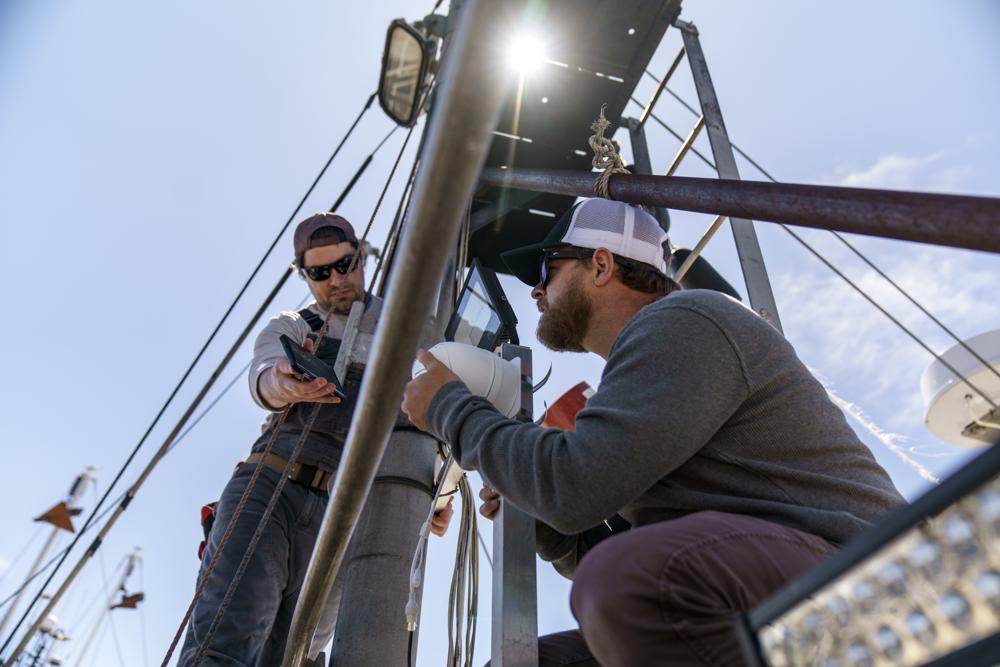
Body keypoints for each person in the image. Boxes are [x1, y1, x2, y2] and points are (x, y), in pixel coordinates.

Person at [402, 198, 905, 666]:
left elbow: (578, 491)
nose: (535, 290)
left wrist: (451, 407)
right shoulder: (643, 372)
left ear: (600, 265)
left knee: (628, 580)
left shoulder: (686, 320)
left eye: (546, 270)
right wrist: (543, 521)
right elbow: (620, 541)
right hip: (769, 583)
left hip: (872, 579)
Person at [179, 212, 454, 666]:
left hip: (345, 513)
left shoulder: (413, 328)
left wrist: (438, 496)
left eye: (344, 265)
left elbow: (439, 412)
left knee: (293, 655)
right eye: (320, 273)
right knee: (226, 640)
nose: (335, 281)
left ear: (361, 257)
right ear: (304, 275)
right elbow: (265, 375)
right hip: (270, 491)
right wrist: (283, 381)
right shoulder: (292, 326)